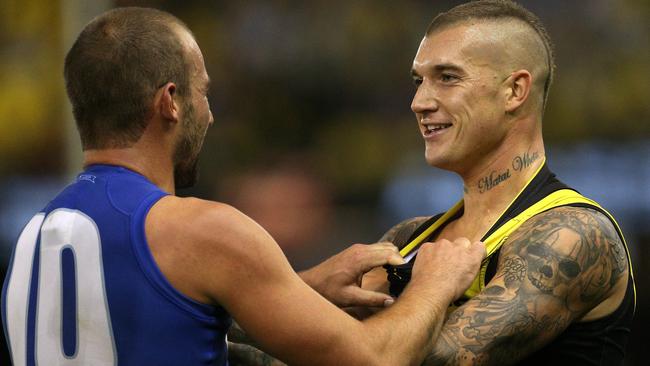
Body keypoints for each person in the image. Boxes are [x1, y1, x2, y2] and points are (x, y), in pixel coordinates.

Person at [0, 7, 486, 366]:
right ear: (170, 102)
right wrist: (433, 285)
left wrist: (298, 290)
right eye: (203, 91)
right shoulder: (201, 231)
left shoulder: (31, 242)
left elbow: (135, 327)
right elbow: (373, 360)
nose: (209, 113)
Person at [360, 1, 636, 365]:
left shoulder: (574, 235)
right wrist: (307, 288)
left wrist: (429, 289)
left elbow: (395, 359)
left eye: (447, 77)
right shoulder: (406, 239)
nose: (419, 102)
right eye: (418, 81)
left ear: (515, 91)